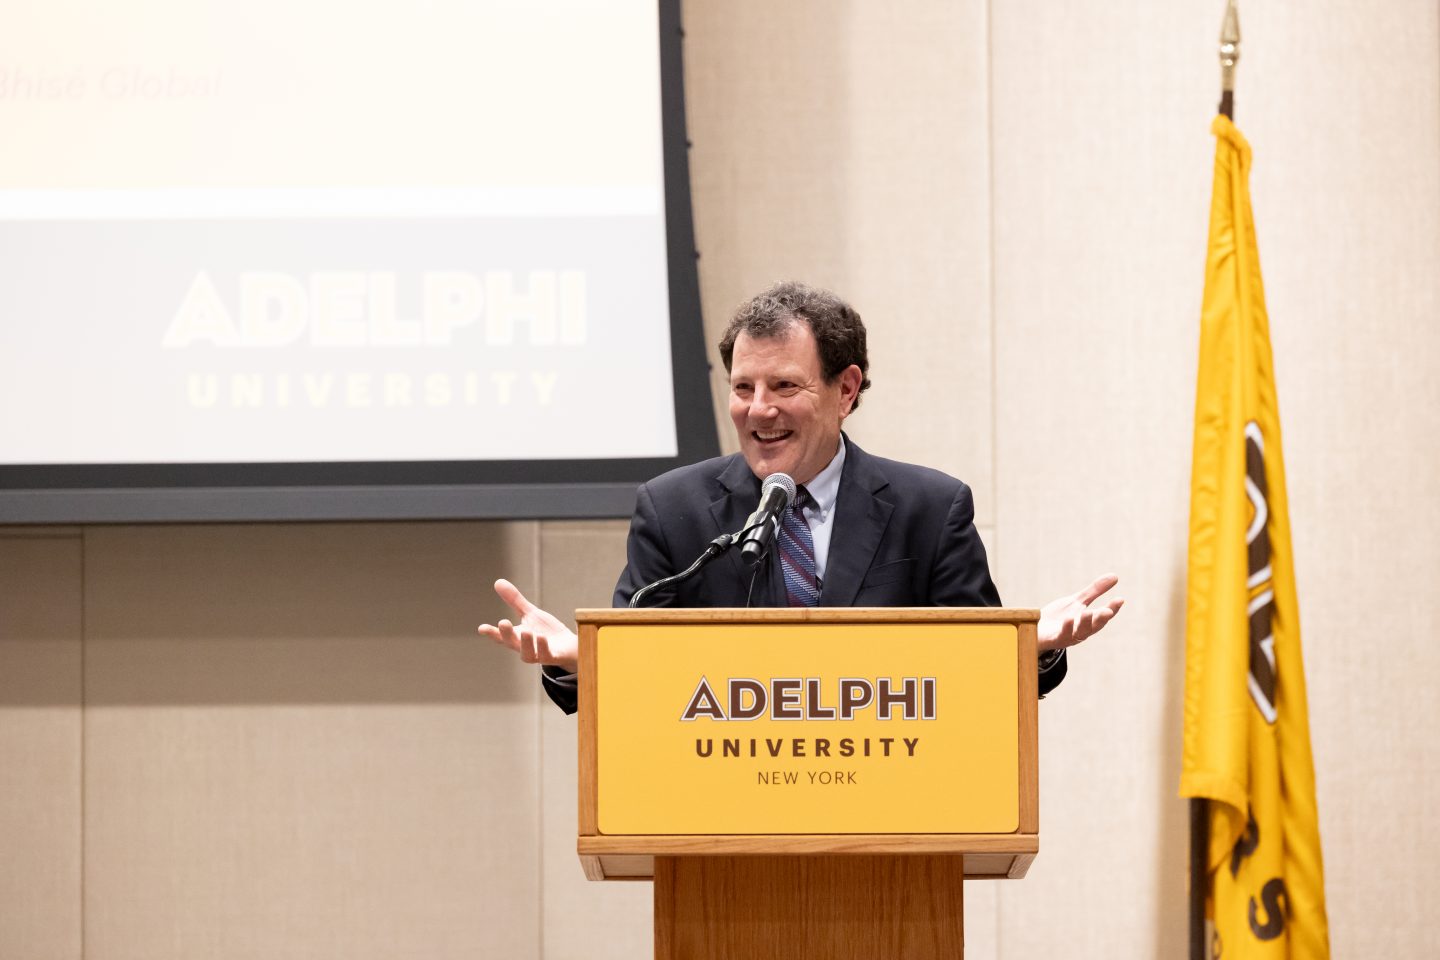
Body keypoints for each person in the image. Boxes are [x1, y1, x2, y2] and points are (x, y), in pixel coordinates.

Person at [479, 281, 1123, 713]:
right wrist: (574, 660)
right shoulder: (672, 510)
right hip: (718, 840)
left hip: (886, 839)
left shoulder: (930, 509)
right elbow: (631, 681)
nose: (758, 411)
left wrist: (1035, 645)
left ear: (846, 390)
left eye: (784, 386)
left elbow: (981, 681)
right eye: (743, 388)